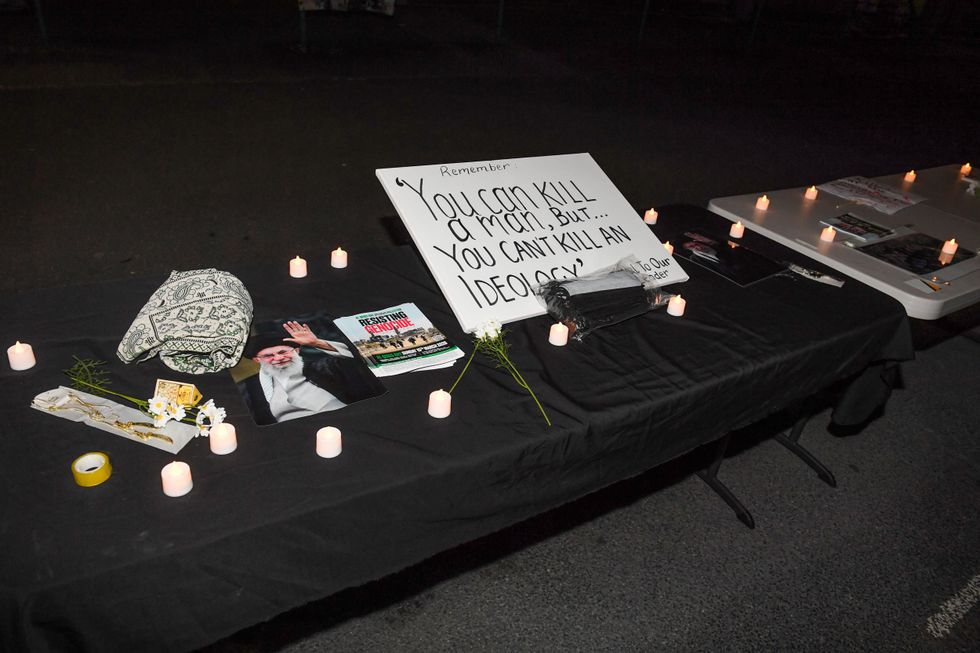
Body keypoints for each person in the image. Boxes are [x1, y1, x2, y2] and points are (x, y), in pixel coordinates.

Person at [238, 320, 380, 425]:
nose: (278, 358)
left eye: (283, 352)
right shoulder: (251, 387)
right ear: (257, 360)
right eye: (268, 356)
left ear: (296, 351)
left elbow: (355, 358)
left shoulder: (325, 367)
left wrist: (316, 343)